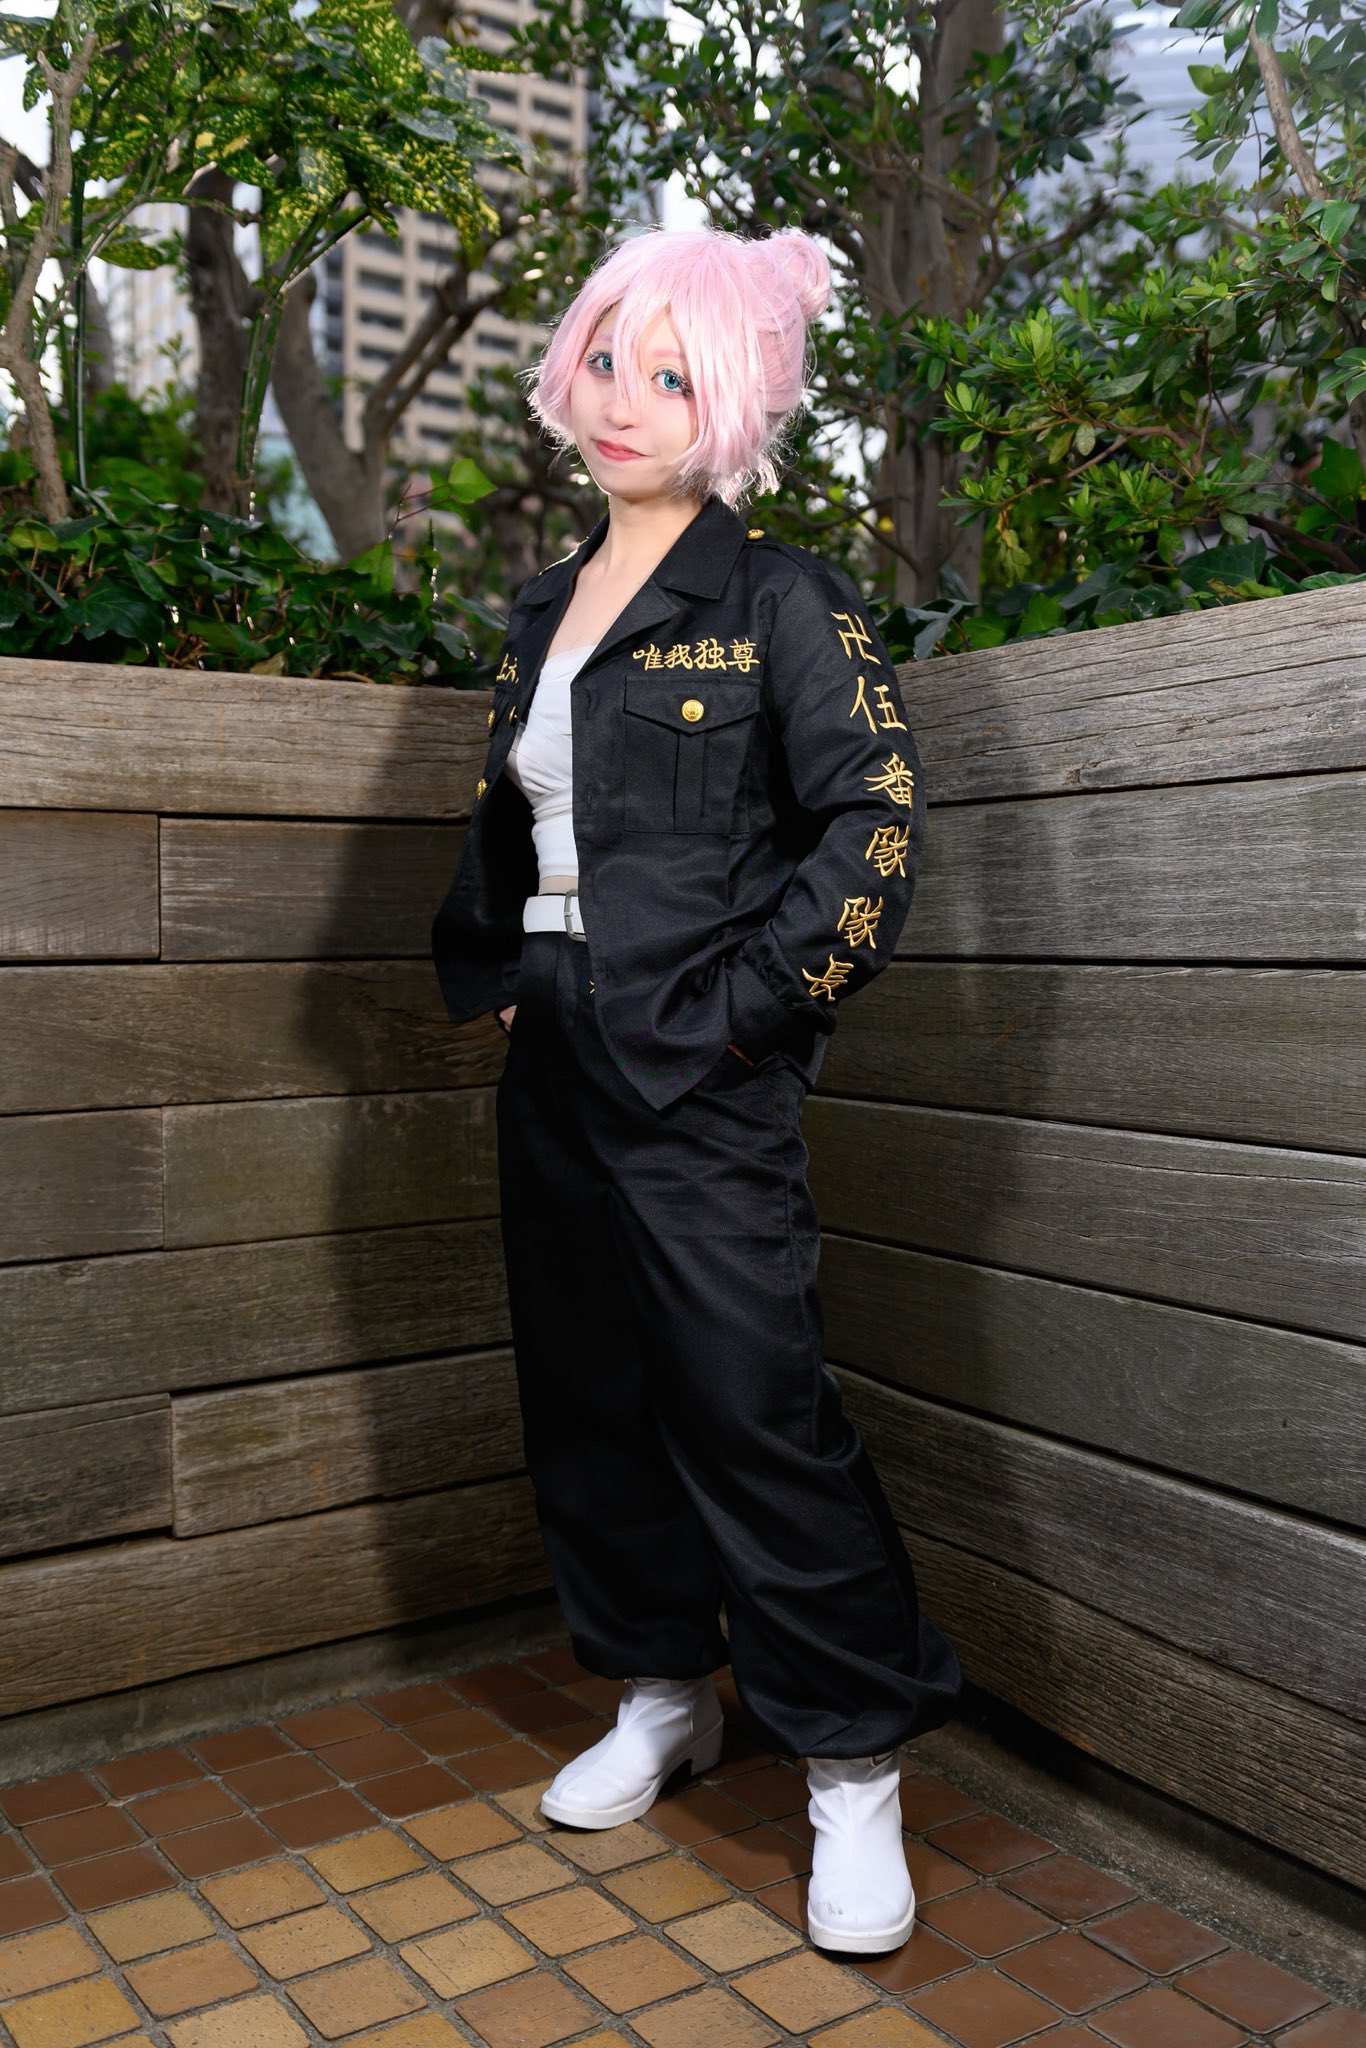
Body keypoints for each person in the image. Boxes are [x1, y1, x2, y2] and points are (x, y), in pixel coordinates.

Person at [430, 222, 962, 1955]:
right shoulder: (543, 602)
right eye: (605, 358)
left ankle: (851, 1766)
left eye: (672, 375)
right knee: (587, 1386)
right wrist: (512, 982)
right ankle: (663, 1692)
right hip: (556, 1040)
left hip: (698, 1060)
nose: (624, 400)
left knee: (750, 1402)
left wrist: (745, 1019)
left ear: (733, 402)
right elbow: (532, 827)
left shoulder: (781, 601)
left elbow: (872, 826)